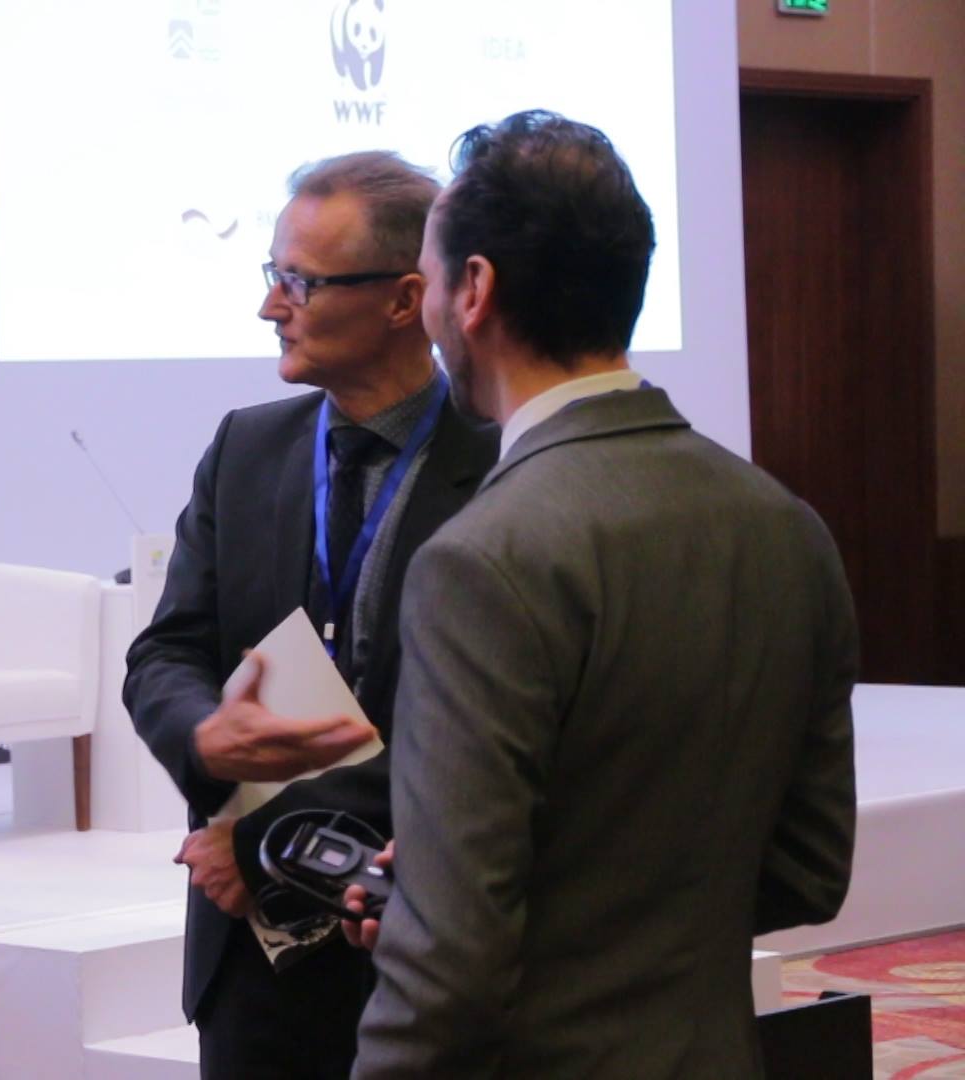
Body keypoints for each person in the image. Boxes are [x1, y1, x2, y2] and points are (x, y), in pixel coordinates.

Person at [352, 110, 859, 1077]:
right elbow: (808, 870)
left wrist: (459, 909)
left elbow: (447, 971)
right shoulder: (787, 524)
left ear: (475, 290)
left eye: (428, 280)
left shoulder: (482, 559)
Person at [123, 151, 499, 1078]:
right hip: (254, 968)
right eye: (274, 274)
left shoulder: (502, 467)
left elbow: (485, 736)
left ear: (405, 300)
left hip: (422, 951)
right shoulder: (248, 448)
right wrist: (207, 738)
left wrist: (265, 838)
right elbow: (165, 652)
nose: (270, 306)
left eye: (300, 282)